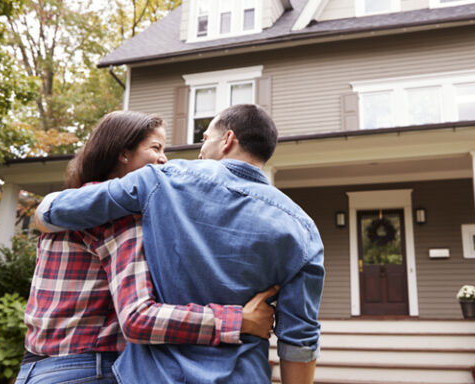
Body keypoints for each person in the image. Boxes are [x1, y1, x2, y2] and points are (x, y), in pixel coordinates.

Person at [35, 104, 324, 383]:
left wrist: (43, 213)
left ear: (228, 140)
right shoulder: (303, 229)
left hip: (157, 375)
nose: (200, 150)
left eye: (205, 138)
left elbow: (59, 209)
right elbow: (299, 339)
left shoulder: (162, 181)